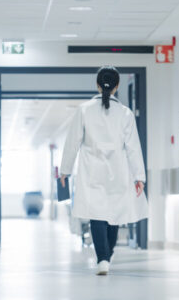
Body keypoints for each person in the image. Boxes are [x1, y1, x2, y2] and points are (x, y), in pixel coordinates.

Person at [59, 66, 148, 275]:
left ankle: (103, 258)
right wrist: (139, 177)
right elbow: (133, 147)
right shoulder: (125, 113)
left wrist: (65, 171)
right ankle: (107, 255)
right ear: (117, 86)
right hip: (118, 170)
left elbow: (72, 143)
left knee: (96, 214)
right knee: (114, 214)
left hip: (91, 170)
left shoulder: (84, 110)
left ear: (97, 85)